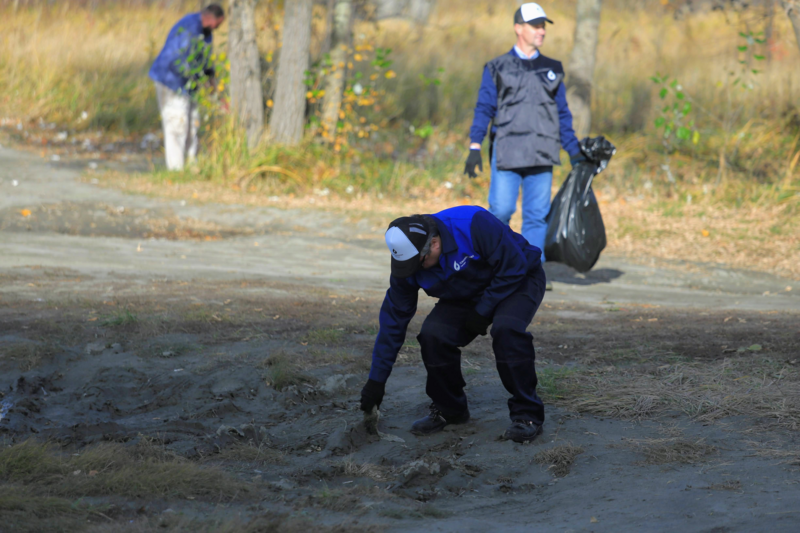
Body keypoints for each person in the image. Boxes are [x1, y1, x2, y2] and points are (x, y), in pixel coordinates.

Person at [360, 205, 548, 443]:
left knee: (507, 329)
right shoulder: (408, 259)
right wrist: (376, 381)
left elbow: (514, 266)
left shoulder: (473, 223)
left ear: (435, 245)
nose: (413, 272)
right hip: (466, 291)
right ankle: (451, 409)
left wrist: (482, 311)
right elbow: (393, 321)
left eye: (418, 264)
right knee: (433, 335)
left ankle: (527, 415)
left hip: (518, 277)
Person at [464, 3, 584, 280]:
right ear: (519, 28)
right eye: (535, 25)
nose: (541, 31)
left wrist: (573, 149)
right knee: (501, 210)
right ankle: (494, 267)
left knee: (536, 216)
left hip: (542, 153)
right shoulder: (497, 67)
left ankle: (532, 274)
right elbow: (484, 108)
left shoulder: (552, 69)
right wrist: (474, 146)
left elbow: (563, 114)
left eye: (543, 26)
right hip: (507, 152)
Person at [148, 4, 225, 170]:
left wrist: (215, 93)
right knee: (177, 123)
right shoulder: (189, 28)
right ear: (211, 18)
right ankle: (176, 170)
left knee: (192, 125)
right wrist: (201, 81)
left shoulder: (206, 33)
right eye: (217, 24)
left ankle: (191, 167)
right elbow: (181, 62)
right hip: (171, 81)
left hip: (189, 87)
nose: (217, 28)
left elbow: (206, 64)